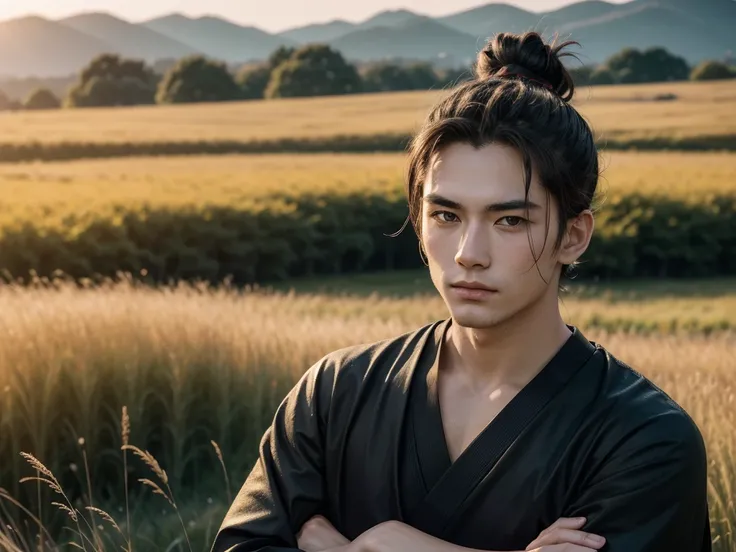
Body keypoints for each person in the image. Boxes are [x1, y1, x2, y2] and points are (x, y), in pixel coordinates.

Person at [211, 31, 711, 552]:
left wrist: (381, 545)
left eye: (510, 220)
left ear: (574, 235)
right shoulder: (336, 394)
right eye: (445, 215)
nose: (469, 252)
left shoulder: (643, 440)